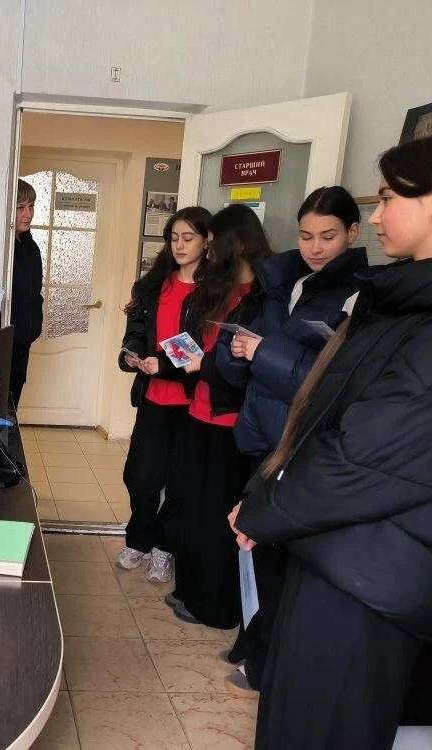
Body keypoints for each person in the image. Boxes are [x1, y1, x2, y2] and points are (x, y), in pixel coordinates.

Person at [230, 128, 432, 750]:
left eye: (388, 198)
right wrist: (269, 491)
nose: (378, 215)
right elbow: (331, 417)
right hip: (344, 554)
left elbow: (365, 463)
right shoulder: (415, 301)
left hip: (376, 577)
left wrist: (267, 507)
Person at [215, 186, 368, 695]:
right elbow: (250, 360)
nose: (315, 247)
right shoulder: (284, 281)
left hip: (301, 444)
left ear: (352, 233)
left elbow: (333, 387)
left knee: (279, 558)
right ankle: (252, 643)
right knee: (252, 547)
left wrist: (264, 353)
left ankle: (266, 661)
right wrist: (236, 350)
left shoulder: (357, 295)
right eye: (306, 235)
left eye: (328, 236)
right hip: (262, 435)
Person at [165, 203, 272, 628]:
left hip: (232, 425)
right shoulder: (216, 289)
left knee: (219, 518)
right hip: (198, 413)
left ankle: (216, 606)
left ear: (237, 244)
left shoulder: (264, 298)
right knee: (192, 509)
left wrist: (203, 365)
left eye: (212, 244)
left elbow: (248, 368)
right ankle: (190, 591)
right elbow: (199, 342)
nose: (207, 252)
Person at [115, 207, 213, 582]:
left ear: (207, 242)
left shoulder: (214, 292)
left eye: (188, 238)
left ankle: (163, 548)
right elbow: (136, 331)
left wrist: (166, 364)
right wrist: (133, 354)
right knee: (140, 476)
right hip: (154, 398)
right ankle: (139, 540)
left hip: (193, 402)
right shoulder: (152, 286)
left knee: (180, 481)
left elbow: (205, 348)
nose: (180, 246)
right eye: (174, 239)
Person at [9, 179, 44, 409]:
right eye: (21, 207)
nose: (28, 214)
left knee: (13, 402)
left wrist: (34, 325)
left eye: (31, 206)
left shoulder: (32, 248)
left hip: (24, 342)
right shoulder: (3, 249)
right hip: (4, 342)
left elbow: (34, 292)